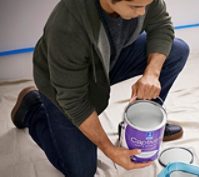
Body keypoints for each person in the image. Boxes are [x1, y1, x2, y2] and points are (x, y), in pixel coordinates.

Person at [10, 0, 189, 176]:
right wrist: (109, 149)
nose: (143, 12)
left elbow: (161, 25)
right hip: (63, 84)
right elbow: (74, 100)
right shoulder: (67, 27)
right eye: (135, 6)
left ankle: (141, 127)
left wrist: (152, 73)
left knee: (176, 51)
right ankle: (32, 108)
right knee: (81, 171)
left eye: (146, 4)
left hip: (108, 57)